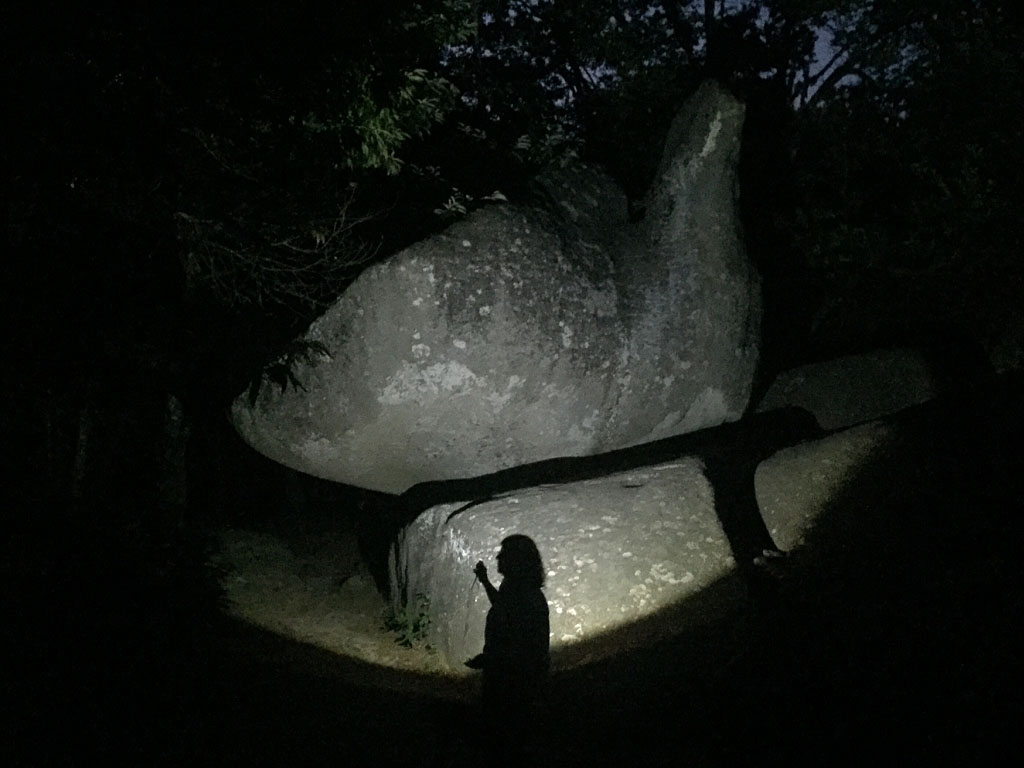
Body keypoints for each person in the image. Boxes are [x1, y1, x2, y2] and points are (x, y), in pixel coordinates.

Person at [465, 534, 550, 758]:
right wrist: (484, 581)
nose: (498, 556)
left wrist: (490, 659)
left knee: (504, 743)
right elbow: (505, 610)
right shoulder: (515, 588)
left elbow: (520, 648)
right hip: (507, 680)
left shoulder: (526, 597)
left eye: (504, 553)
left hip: (512, 686)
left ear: (516, 560)